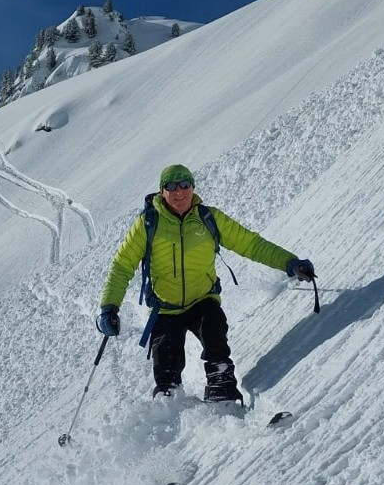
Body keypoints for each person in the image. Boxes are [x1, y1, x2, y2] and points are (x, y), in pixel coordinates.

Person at [97, 164, 315, 402]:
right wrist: (109, 307)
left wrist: (290, 263)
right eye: (171, 186)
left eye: (185, 185)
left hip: (203, 301)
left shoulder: (208, 218)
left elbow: (250, 244)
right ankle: (167, 411)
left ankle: (222, 390)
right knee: (166, 371)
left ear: (193, 187)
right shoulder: (148, 224)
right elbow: (122, 265)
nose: (179, 192)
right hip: (165, 309)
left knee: (215, 339)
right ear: (162, 191)